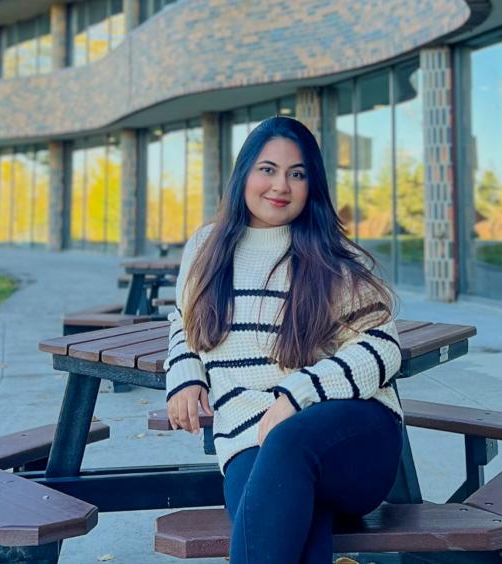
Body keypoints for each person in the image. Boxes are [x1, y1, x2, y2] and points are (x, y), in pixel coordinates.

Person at [164, 116, 404, 563]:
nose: (281, 185)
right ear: (244, 174)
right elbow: (183, 321)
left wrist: (295, 397)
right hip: (247, 440)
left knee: (289, 445)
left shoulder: (333, 258)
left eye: (297, 174)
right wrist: (185, 373)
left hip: (350, 440)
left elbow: (383, 350)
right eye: (268, 169)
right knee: (294, 522)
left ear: (312, 184)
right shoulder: (205, 248)